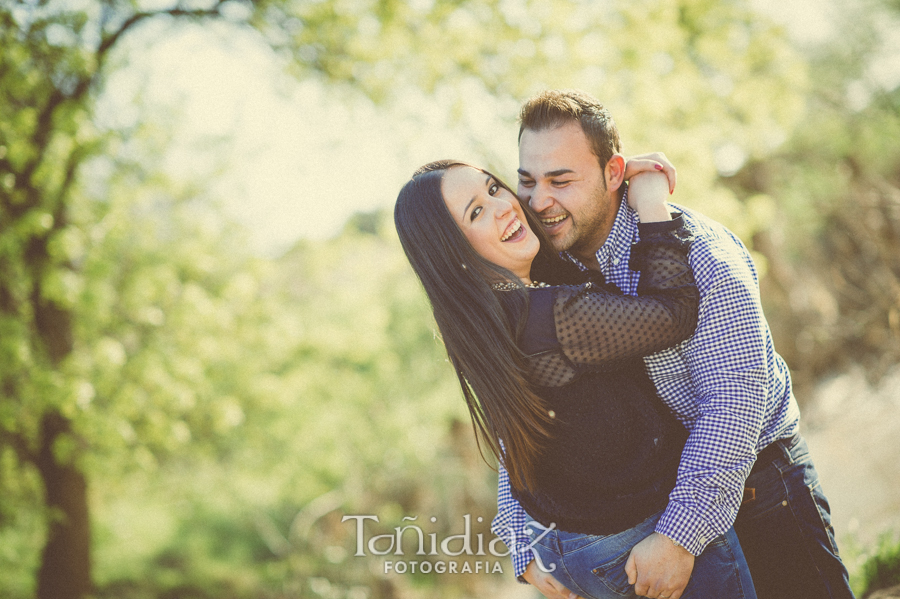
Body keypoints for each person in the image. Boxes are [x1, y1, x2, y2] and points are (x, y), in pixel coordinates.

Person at [491, 89, 854, 599]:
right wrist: (521, 534)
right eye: (528, 181)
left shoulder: (700, 252)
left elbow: (735, 397)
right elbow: (526, 412)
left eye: (561, 180)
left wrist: (679, 538)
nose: (539, 201)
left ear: (613, 173)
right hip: (649, 519)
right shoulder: (547, 267)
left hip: (758, 489)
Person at [394, 159, 757, 599]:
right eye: (475, 213)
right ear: (455, 255)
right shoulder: (554, 316)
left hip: (569, 546)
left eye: (493, 189)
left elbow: (522, 443)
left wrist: (522, 542)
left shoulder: (484, 332)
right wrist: (648, 201)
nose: (504, 207)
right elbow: (675, 312)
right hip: (637, 538)